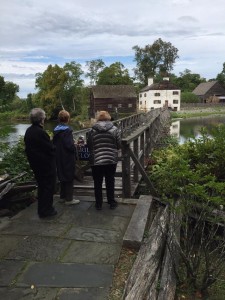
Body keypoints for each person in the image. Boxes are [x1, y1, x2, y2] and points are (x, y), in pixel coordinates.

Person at [24, 108, 57, 218]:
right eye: (44, 117)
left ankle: (41, 209)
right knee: (48, 188)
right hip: (45, 166)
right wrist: (53, 144)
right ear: (41, 119)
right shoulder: (40, 132)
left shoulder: (29, 131)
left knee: (42, 187)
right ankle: (46, 210)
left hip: (35, 165)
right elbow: (50, 149)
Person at [87, 110, 121, 210]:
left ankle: (98, 204)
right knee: (110, 180)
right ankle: (111, 202)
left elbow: (89, 146)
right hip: (110, 159)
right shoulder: (115, 129)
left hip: (96, 160)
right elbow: (118, 145)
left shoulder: (91, 130)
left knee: (97, 182)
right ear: (108, 117)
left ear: (98, 118)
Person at [53, 110, 80, 205]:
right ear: (67, 119)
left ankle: (62, 197)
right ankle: (69, 199)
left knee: (62, 175)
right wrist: (75, 145)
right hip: (67, 157)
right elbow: (69, 146)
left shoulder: (56, 129)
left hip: (58, 156)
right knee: (69, 176)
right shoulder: (67, 130)